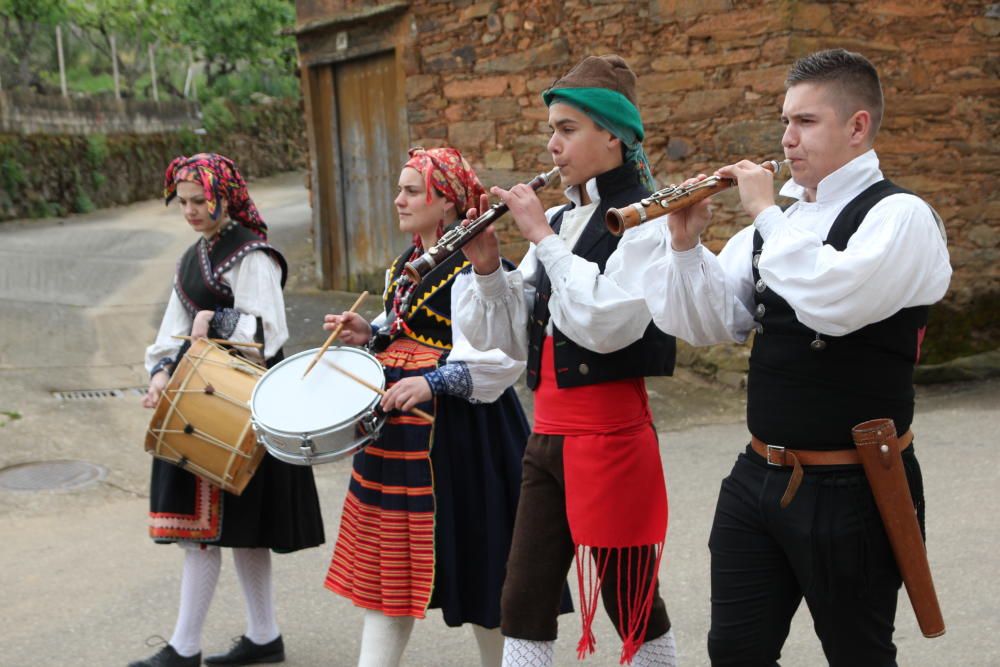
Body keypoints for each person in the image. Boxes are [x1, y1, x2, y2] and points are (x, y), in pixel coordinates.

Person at [608, 49, 952, 665]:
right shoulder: (783, 221)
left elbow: (831, 299)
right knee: (735, 651)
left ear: (857, 127)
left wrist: (766, 211)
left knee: (859, 653)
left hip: (856, 485)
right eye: (785, 121)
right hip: (757, 477)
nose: (787, 139)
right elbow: (712, 323)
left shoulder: (903, 218)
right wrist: (685, 249)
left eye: (806, 122)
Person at [455, 55, 679, 667]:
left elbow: (605, 323)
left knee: (631, 599)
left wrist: (543, 241)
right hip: (547, 433)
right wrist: (485, 268)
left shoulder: (646, 220)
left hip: (610, 436)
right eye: (551, 129)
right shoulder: (558, 218)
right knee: (522, 598)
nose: (552, 145)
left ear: (614, 135)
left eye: (568, 129)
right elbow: (509, 336)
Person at [322, 146, 548, 667]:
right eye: (400, 188)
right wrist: (371, 334)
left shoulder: (477, 266)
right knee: (389, 573)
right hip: (398, 434)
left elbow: (501, 355)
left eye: (410, 190)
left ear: (445, 202)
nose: (397, 199)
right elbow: (405, 330)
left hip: (464, 434)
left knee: (482, 567)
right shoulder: (407, 262)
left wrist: (433, 381)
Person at [135, 153, 325, 667]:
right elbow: (170, 331)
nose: (191, 210)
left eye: (201, 200)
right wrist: (158, 375)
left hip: (241, 404)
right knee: (225, 531)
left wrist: (210, 323)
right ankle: (261, 638)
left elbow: (268, 332)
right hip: (198, 401)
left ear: (226, 196)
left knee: (234, 529)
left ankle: (188, 647)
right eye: (184, 202)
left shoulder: (252, 255)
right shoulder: (191, 259)